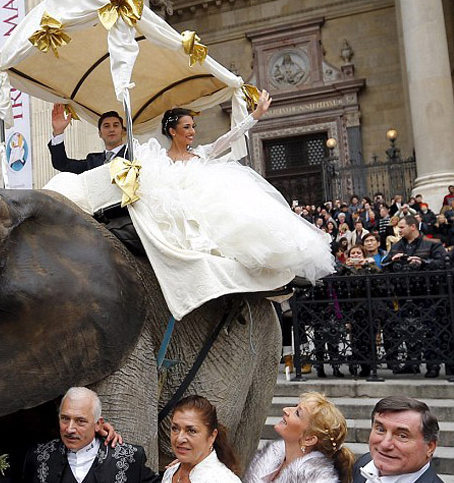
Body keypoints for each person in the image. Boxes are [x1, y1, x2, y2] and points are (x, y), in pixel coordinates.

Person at [124, 94, 335, 318]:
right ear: (173, 131)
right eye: (186, 127)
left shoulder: (201, 154)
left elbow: (230, 137)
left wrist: (256, 115)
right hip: (179, 216)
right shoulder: (160, 161)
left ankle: (268, 289)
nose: (192, 131)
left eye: (193, 126)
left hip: (206, 212)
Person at [24, 387, 160, 483]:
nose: (70, 429)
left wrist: (181, 465)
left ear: (98, 424)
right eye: (65, 419)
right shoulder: (38, 457)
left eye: (80, 421)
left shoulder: (128, 458)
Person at [244, 392, 355, 483]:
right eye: (295, 406)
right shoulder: (267, 462)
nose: (286, 410)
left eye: (297, 413)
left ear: (309, 439)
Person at [343, 396, 454, 483]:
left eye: (402, 436)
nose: (385, 444)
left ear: (430, 447)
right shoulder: (364, 463)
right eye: (380, 429)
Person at [149, 395, 250, 483]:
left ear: (212, 436)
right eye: (175, 429)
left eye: (191, 431)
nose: (180, 438)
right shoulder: (170, 473)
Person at [47, 106, 129, 174]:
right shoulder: (92, 161)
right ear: (100, 133)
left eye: (115, 125)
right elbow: (62, 164)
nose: (111, 129)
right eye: (106, 126)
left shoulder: (134, 155)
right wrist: (58, 132)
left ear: (123, 132)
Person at [382, 215, 447, 272]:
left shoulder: (432, 244)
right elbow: (384, 265)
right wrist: (393, 260)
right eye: (399, 228)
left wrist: (423, 262)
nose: (399, 230)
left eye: (402, 227)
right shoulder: (395, 246)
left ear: (413, 227)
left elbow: (444, 262)